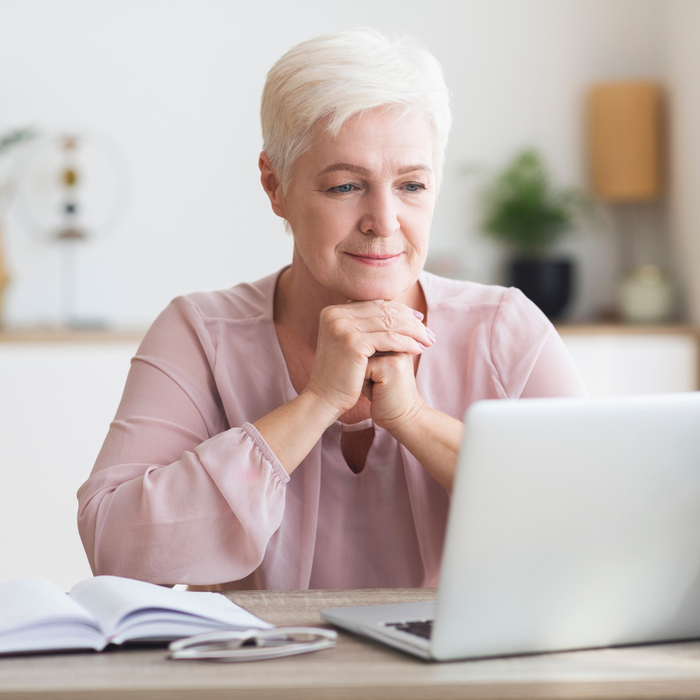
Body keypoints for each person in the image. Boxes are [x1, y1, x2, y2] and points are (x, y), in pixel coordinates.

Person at [77, 29, 586, 591]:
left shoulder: (505, 331)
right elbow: (118, 548)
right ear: (276, 186)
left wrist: (414, 421)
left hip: (462, 678)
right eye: (346, 187)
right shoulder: (200, 334)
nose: (384, 220)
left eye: (412, 185)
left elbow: (593, 529)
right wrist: (318, 402)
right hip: (256, 674)